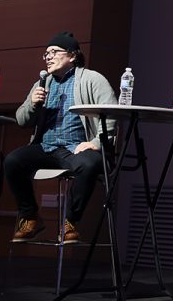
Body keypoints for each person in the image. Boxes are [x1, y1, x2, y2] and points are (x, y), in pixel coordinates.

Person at [6, 31, 117, 244]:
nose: (48, 57)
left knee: (90, 162)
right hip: (46, 147)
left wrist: (95, 143)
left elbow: (111, 114)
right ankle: (30, 217)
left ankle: (70, 223)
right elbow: (21, 120)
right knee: (13, 161)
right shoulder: (42, 83)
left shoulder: (92, 79)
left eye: (54, 52)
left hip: (74, 148)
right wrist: (32, 103)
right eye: (46, 54)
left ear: (72, 56)